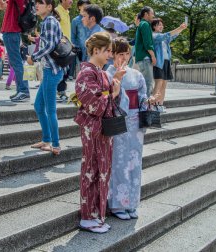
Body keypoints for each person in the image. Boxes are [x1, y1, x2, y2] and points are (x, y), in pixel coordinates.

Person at [74, 32, 125, 233]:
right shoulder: (86, 73)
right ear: (96, 50)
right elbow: (93, 104)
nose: (110, 56)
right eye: (107, 51)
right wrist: (112, 93)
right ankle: (88, 216)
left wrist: (114, 84)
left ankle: (98, 215)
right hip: (92, 127)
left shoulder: (101, 73)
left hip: (102, 128)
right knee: (92, 170)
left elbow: (106, 98)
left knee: (102, 170)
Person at [106, 37, 154, 220]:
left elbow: (142, 95)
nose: (124, 57)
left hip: (135, 123)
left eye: (127, 53)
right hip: (119, 122)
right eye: (120, 54)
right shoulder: (108, 73)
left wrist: (148, 101)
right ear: (112, 55)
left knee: (135, 163)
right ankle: (118, 204)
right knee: (119, 162)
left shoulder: (137, 74)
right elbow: (109, 98)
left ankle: (132, 203)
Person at [27, 0, 64, 155]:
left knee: (50, 109)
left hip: (51, 70)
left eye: (41, 3)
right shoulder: (51, 21)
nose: (37, 5)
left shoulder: (48, 21)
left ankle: (55, 145)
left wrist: (33, 57)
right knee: (38, 106)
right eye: (36, 3)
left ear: (49, 7)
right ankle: (47, 139)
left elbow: (49, 46)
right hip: (52, 70)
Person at [0, 0, 31, 102]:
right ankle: (20, 90)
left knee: (17, 63)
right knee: (16, 63)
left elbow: (22, 9)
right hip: (10, 31)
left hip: (12, 30)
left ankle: (24, 91)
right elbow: (2, 6)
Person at [151, 18, 187, 112]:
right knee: (158, 83)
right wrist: (179, 28)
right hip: (159, 62)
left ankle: (160, 104)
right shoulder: (153, 35)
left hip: (166, 61)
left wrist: (181, 29)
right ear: (154, 26)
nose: (161, 26)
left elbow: (171, 36)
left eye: (162, 25)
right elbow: (166, 35)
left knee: (164, 84)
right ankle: (154, 105)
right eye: (159, 25)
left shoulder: (163, 37)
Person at [135, 6, 156, 97]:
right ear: (146, 14)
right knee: (148, 82)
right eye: (152, 13)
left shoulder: (141, 24)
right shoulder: (145, 24)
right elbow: (147, 43)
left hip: (141, 57)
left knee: (144, 82)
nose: (153, 15)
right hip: (145, 57)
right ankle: (145, 106)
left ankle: (143, 105)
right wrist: (153, 56)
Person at [55, 0, 73, 102]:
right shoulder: (56, 11)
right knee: (60, 71)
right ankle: (60, 92)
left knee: (66, 71)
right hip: (60, 47)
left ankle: (60, 91)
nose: (71, 1)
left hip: (68, 46)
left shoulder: (67, 12)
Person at [71, 0, 90, 71]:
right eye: (84, 6)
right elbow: (73, 36)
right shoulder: (75, 20)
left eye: (88, 7)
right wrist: (76, 47)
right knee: (81, 71)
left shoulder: (90, 19)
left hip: (90, 49)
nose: (86, 8)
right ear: (79, 7)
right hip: (80, 50)